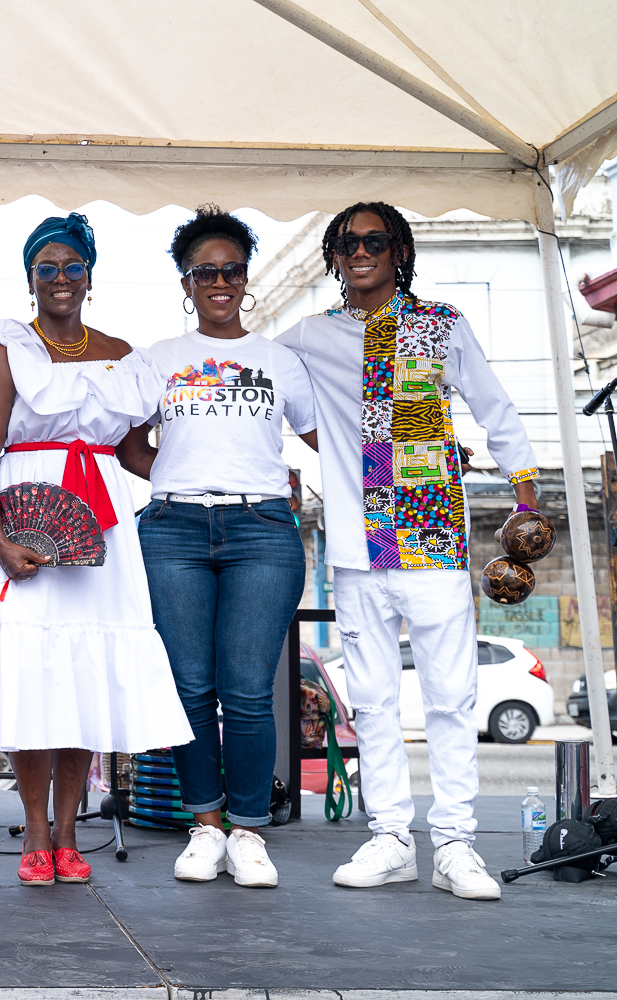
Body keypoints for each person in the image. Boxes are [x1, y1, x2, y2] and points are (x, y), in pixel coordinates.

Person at [275, 201, 539, 901]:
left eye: (372, 239)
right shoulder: (308, 335)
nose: (357, 250)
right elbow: (262, 378)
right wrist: (335, 456)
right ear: (332, 256)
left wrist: (525, 498)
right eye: (344, 241)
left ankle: (454, 844)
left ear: (397, 250)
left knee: (452, 697)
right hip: (358, 550)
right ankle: (389, 837)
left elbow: (495, 408)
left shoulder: (440, 324)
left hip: (431, 539)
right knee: (371, 700)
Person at [0, 214, 194, 887]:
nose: (61, 279)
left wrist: (217, 469)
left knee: (82, 683)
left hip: (98, 525)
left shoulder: (121, 353)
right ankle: (34, 834)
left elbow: (135, 455)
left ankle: (69, 834)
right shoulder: (1, 349)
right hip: (20, 519)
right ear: (29, 279)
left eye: (72, 266)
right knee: (30, 679)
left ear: (90, 276)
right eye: (46, 268)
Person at [119, 206, 319, 888]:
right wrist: (177, 474)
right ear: (186, 280)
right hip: (173, 529)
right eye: (205, 270)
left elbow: (330, 441)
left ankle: (249, 831)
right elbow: (126, 441)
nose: (220, 280)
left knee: (247, 691)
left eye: (231, 269)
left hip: (260, 530)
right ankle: (205, 827)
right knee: (188, 688)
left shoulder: (278, 360)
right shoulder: (156, 360)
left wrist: (422, 451)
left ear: (245, 278)